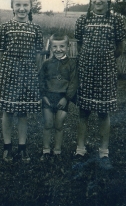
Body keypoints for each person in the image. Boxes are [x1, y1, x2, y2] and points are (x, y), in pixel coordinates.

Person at [74, 0, 126, 169]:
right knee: (83, 112)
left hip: (106, 73)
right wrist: (88, 60)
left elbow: (119, 48)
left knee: (104, 113)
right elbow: (80, 46)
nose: (98, 0)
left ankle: (103, 152)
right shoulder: (82, 20)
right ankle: (80, 148)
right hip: (86, 73)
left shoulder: (116, 20)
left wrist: (105, 61)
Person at [0, 0, 43, 163]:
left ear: (30, 7)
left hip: (27, 76)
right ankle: (7, 147)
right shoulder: (4, 27)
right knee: (7, 111)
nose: (22, 9)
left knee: (23, 113)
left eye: (25, 5)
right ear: (12, 7)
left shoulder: (36, 29)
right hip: (8, 74)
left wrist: (34, 75)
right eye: (18, 5)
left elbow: (38, 56)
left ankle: (22, 148)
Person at [39, 33, 78, 161]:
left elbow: (73, 83)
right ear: (50, 48)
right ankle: (45, 150)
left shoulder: (72, 64)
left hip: (63, 97)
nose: (58, 49)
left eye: (62, 46)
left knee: (59, 124)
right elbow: (41, 80)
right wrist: (43, 96)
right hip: (48, 97)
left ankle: (57, 151)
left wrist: (66, 98)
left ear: (68, 47)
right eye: (55, 47)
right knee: (48, 123)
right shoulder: (46, 63)